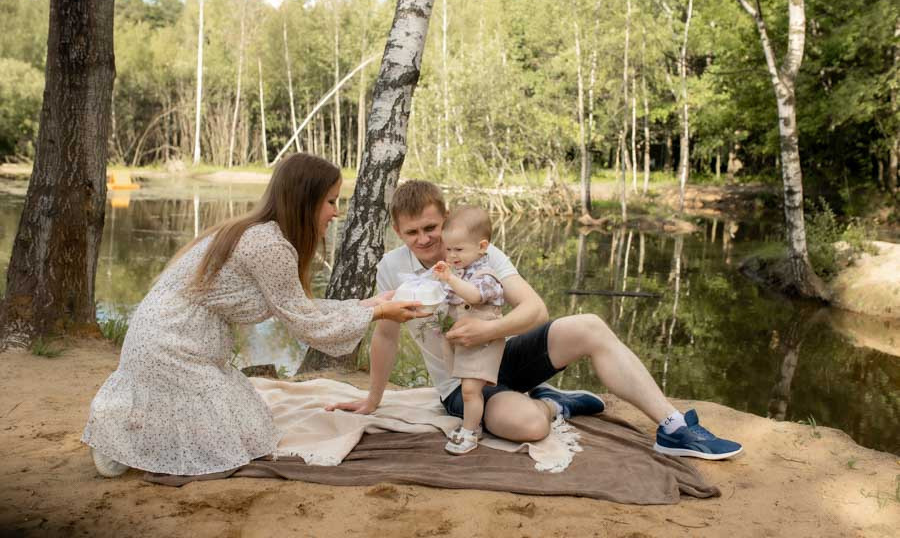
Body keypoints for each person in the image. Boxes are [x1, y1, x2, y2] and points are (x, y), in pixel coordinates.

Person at [329, 180, 742, 460]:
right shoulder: (392, 268)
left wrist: (488, 329)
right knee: (528, 425)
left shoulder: (480, 252)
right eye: (412, 232)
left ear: (446, 218)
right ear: (398, 232)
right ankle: (551, 403)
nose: (424, 240)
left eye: (432, 227)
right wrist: (374, 399)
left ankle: (672, 427)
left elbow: (535, 310)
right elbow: (386, 337)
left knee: (590, 325)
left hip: (505, 356)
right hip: (462, 384)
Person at [82, 154, 428, 478]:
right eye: (331, 201)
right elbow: (305, 323)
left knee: (253, 426)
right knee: (244, 441)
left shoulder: (260, 232)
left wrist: (368, 304)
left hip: (174, 337)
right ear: (305, 201)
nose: (336, 212)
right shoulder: (269, 245)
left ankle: (134, 432)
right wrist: (381, 312)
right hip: (171, 343)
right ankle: (118, 435)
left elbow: (298, 307)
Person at [430, 206, 506, 455]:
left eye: (459, 249)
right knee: (467, 388)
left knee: (470, 390)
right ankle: (471, 426)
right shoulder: (462, 271)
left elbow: (474, 297)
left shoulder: (486, 275)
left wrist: (450, 279)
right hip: (465, 342)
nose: (452, 255)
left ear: (482, 246)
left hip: (482, 343)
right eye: (448, 248)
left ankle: (471, 432)